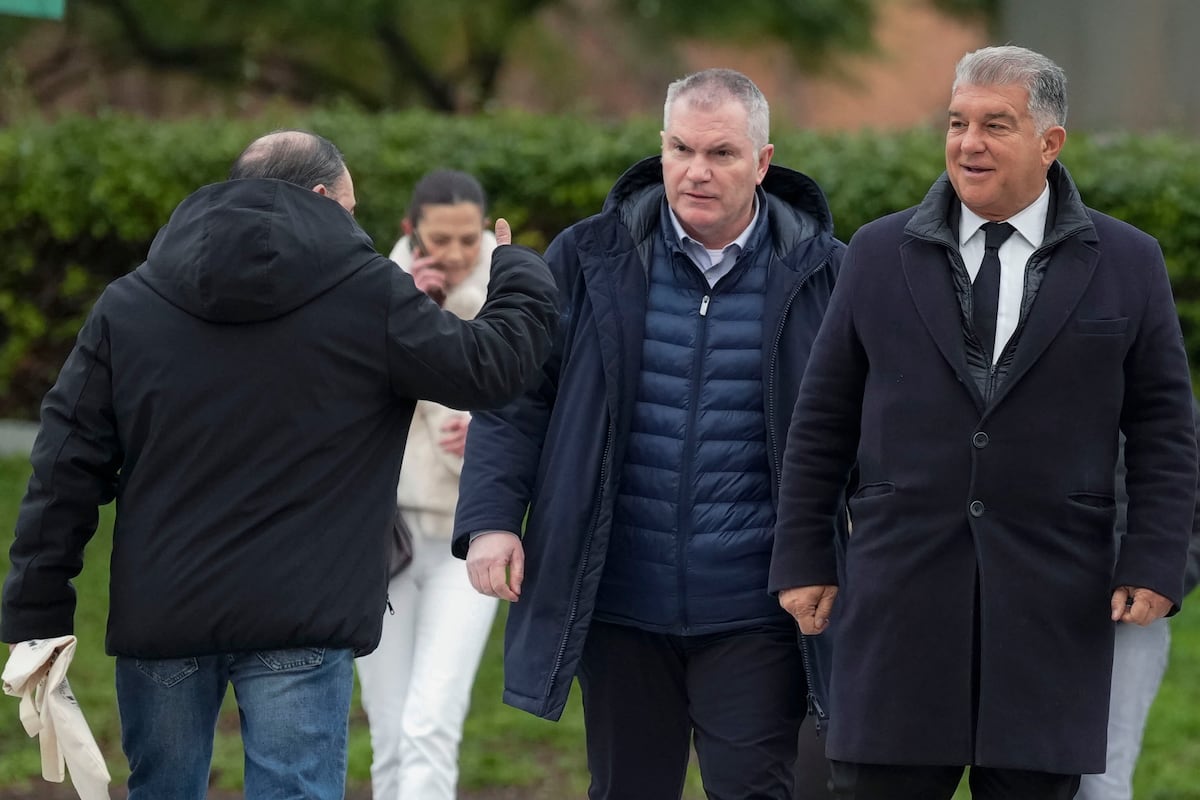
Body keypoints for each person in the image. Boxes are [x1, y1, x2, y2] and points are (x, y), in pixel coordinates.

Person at [0, 130, 558, 800]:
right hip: (303, 615)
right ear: (321, 197)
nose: (354, 227)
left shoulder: (130, 302)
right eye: (349, 210)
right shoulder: (370, 296)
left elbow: (64, 464)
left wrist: (37, 611)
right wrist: (516, 270)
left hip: (164, 612)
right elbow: (493, 368)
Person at [769, 45, 1197, 800]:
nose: (969, 143)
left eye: (996, 125)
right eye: (957, 123)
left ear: (1050, 142)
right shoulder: (877, 253)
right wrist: (803, 553)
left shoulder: (1130, 262)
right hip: (899, 603)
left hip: (1053, 608)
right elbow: (823, 418)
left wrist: (1155, 557)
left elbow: (1164, 428)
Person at [454, 68, 846, 800]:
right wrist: (491, 521)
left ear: (763, 162)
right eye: (681, 149)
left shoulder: (827, 275)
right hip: (619, 602)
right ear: (661, 147)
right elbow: (516, 398)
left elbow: (861, 430)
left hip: (758, 610)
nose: (697, 171)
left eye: (722, 153)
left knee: (756, 789)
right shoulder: (586, 256)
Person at [355, 169, 499, 800]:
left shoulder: (512, 296)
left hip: (469, 541)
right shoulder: (373, 292)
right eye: (442, 239)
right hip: (382, 536)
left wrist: (489, 433)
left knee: (431, 723)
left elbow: (545, 407)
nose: (458, 253)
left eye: (469, 238)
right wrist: (411, 312)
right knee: (389, 731)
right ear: (411, 232)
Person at [1075, 401, 1200, 800]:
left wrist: (1157, 577)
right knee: (1022, 772)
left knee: (1101, 779)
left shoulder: (1169, 401)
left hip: (1130, 615)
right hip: (1030, 602)